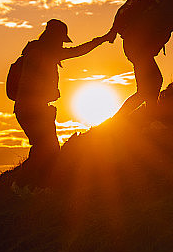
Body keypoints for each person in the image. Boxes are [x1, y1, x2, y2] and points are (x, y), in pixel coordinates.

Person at [11, 19, 110, 182]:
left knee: (47, 148)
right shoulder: (43, 53)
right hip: (33, 109)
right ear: (54, 38)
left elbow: (78, 51)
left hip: (28, 108)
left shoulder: (37, 51)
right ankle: (22, 184)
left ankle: (36, 184)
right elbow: (79, 51)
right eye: (61, 40)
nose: (62, 45)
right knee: (46, 148)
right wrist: (103, 39)